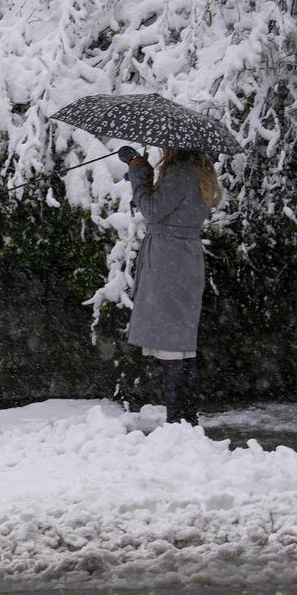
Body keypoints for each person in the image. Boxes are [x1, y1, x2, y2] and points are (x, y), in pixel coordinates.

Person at [117, 145, 223, 425]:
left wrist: (138, 172)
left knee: (172, 345)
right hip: (183, 259)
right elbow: (169, 208)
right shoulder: (195, 171)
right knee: (181, 344)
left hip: (169, 260)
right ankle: (185, 417)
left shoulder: (180, 172)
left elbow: (152, 210)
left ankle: (178, 420)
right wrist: (145, 173)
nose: (163, 146)